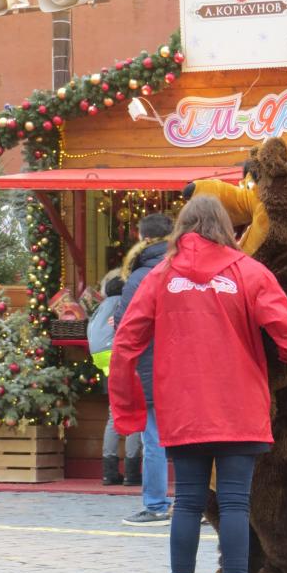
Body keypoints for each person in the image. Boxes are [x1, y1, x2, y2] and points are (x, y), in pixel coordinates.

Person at [109, 195, 287, 573]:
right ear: (226, 227)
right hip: (239, 406)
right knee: (237, 503)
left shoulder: (160, 277)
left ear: (182, 227)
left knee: (186, 503)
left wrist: (127, 410)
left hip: (182, 408)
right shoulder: (249, 272)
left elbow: (126, 342)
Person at [114, 213, 173, 525]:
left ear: (142, 238)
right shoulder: (183, 268)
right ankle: (203, 502)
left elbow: (127, 329)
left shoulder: (138, 278)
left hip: (151, 365)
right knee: (200, 438)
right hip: (185, 367)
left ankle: (156, 504)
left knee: (154, 439)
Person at [90, 271, 142, 486]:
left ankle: (109, 472)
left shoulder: (100, 308)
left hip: (103, 362)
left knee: (114, 414)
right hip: (123, 359)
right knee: (136, 414)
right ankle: (132, 472)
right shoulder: (124, 303)